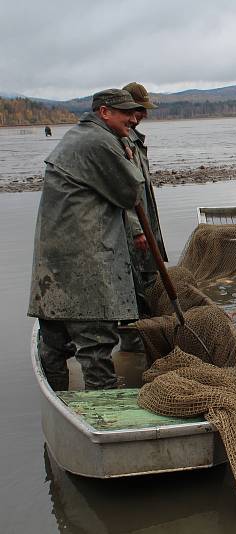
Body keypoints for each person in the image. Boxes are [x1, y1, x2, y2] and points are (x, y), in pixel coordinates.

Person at [28, 89, 145, 391]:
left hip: (52, 269)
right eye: (127, 113)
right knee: (96, 346)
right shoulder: (100, 141)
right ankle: (106, 417)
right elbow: (130, 193)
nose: (133, 118)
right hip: (85, 268)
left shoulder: (76, 136)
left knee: (53, 345)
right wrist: (128, 158)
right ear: (105, 112)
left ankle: (59, 402)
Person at [121, 82, 166, 316]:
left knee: (148, 277)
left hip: (145, 225)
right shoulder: (121, 139)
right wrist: (138, 229)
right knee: (136, 282)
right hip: (134, 231)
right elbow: (125, 190)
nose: (143, 115)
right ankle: (137, 334)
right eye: (139, 109)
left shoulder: (134, 139)